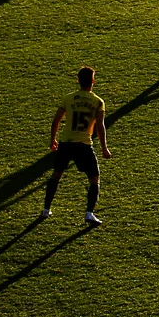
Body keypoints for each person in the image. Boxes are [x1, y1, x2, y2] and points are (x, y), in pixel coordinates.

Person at [44, 66, 111, 226]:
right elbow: (100, 127)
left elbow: (56, 121)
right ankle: (89, 213)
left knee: (56, 175)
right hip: (84, 145)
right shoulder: (98, 102)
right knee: (94, 179)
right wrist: (104, 148)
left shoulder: (68, 98)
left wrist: (53, 139)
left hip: (66, 143)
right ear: (93, 81)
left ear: (78, 81)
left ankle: (46, 209)